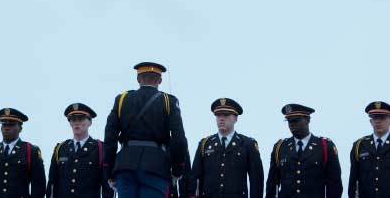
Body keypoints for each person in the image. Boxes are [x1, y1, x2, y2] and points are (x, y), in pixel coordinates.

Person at [104, 62, 189, 198]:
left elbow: (110, 138)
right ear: (160, 80)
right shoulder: (168, 101)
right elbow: (179, 139)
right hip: (156, 167)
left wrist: (109, 172)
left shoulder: (122, 100)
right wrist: (177, 170)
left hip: (125, 166)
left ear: (138, 79)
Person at [190, 98, 263, 198]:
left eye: (226, 115)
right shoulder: (205, 144)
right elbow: (195, 177)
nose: (221, 118)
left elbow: (256, 180)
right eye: (218, 115)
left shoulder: (247, 144)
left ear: (236, 118)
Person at [265, 104, 342, 198]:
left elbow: (334, 184)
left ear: (308, 120)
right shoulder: (280, 147)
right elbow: (272, 183)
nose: (292, 124)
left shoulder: (325, 146)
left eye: (295, 120)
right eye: (289, 121)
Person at [0, 108, 46, 198]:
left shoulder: (31, 151)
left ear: (20, 128)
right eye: (4, 125)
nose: (7, 128)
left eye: (11, 125)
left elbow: (39, 186)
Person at [46, 103, 113, 198]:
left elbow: (107, 185)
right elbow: (52, 183)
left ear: (90, 122)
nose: (76, 122)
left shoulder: (100, 148)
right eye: (73, 119)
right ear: (70, 123)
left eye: (81, 119)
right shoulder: (60, 148)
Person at [349, 101, 390, 198]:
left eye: (382, 117)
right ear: (370, 121)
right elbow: (353, 181)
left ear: (389, 120)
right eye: (375, 117)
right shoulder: (359, 145)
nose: (378, 121)